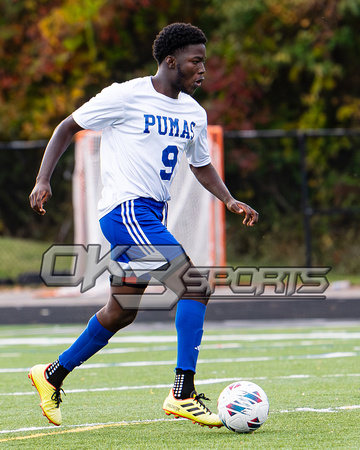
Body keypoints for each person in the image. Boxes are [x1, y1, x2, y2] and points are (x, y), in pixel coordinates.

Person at [28, 22, 259, 428]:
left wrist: (228, 198)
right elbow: (68, 126)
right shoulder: (125, 95)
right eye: (196, 61)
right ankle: (182, 392)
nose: (203, 69)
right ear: (171, 61)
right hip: (126, 212)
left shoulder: (194, 111)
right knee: (195, 285)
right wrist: (43, 178)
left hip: (151, 213)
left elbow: (200, 164)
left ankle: (51, 375)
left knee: (121, 310)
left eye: (204, 61)